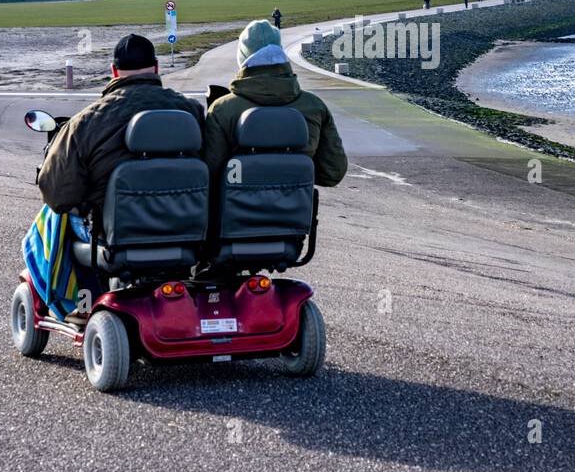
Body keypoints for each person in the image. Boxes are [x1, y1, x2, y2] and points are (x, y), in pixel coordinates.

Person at [30, 34, 204, 320]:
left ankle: (81, 303)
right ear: (157, 68)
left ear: (113, 71)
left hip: (115, 234)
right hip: (186, 226)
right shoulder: (192, 111)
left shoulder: (87, 122)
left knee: (56, 217)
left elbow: (57, 194)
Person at [202, 20, 347, 190]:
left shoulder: (222, 109)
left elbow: (209, 173)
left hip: (236, 212)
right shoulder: (314, 106)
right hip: (296, 212)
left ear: (242, 58)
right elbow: (333, 172)